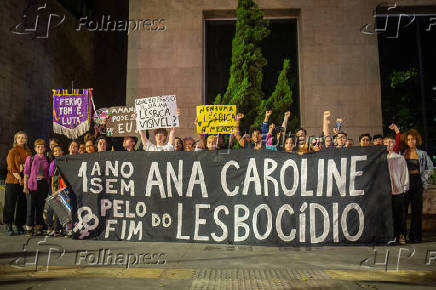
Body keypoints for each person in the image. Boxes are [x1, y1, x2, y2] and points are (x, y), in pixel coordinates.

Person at [401, 129, 433, 243]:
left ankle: (415, 236)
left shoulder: (422, 154)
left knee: (417, 211)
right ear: (406, 141)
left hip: (417, 182)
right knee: (403, 210)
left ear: (416, 140)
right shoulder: (402, 153)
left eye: (413, 139)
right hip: (405, 183)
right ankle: (402, 236)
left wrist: (423, 178)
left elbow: (430, 168)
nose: (411, 141)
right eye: (409, 140)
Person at [3, 131, 32, 235]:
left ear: (26, 140)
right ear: (16, 139)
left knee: (22, 204)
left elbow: (29, 168)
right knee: (10, 204)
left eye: (23, 138)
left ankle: (19, 225)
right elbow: (11, 168)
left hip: (24, 182)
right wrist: (20, 179)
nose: (21, 139)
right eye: (19, 137)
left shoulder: (28, 152)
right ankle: (8, 225)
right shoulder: (12, 151)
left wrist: (25, 181)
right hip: (13, 181)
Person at [384, 136, 409, 245]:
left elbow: (404, 173)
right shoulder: (381, 158)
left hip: (397, 191)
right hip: (384, 192)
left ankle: (401, 234)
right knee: (388, 215)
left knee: (399, 215)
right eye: (386, 142)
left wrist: (404, 187)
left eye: (390, 142)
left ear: (394, 144)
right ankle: (390, 236)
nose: (388, 144)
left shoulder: (399, 158)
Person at [23, 139, 50, 236]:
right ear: (35, 148)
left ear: (45, 148)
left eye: (42, 146)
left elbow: (49, 174)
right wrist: (25, 187)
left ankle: (39, 227)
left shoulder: (47, 158)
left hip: (43, 185)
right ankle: (29, 228)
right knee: (30, 207)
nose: (40, 148)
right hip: (31, 185)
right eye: (38, 146)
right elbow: (26, 174)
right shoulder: (30, 158)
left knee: (40, 207)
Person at [47, 145, 65, 236]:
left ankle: (63, 228)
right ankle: (56, 228)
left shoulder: (65, 161)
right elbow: (52, 176)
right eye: (55, 151)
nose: (57, 152)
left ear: (62, 152)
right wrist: (53, 190)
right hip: (56, 187)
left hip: (64, 187)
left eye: (59, 150)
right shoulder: (53, 163)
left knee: (65, 208)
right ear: (53, 153)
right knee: (58, 209)